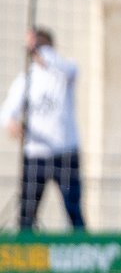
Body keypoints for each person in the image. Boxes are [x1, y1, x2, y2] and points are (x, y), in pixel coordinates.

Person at [1, 27, 85, 232]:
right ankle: (25, 256)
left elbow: (67, 68)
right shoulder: (27, 79)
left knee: (73, 209)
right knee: (27, 212)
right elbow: (6, 111)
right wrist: (11, 124)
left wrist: (39, 47)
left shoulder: (64, 73)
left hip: (65, 154)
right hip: (36, 155)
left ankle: (85, 253)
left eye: (39, 46)